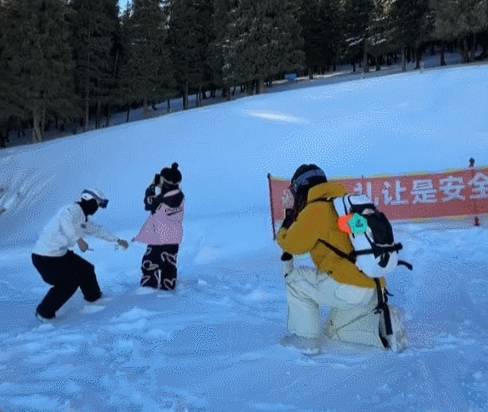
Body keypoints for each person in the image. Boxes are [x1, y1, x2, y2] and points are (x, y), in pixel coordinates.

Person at [277, 164, 406, 354]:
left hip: (346, 288)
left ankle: (304, 340)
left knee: (295, 282)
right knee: (334, 330)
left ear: (299, 189)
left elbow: (291, 245)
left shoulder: (315, 210)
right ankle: (382, 328)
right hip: (372, 286)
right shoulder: (345, 205)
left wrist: (289, 213)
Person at [31, 189, 129, 321]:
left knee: (86, 269)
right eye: (98, 204)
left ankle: (94, 298)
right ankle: (44, 313)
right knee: (68, 283)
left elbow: (98, 230)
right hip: (45, 257)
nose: (97, 208)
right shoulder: (70, 210)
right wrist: (78, 239)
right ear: (88, 199)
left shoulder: (83, 218)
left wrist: (117, 240)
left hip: (60, 254)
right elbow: (65, 221)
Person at [134, 163, 184, 290]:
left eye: (161, 180)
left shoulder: (162, 199)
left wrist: (152, 186)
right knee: (169, 262)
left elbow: (148, 203)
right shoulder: (179, 196)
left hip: (159, 237)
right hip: (174, 237)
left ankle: (149, 290)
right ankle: (168, 286)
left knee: (150, 262)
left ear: (166, 182)